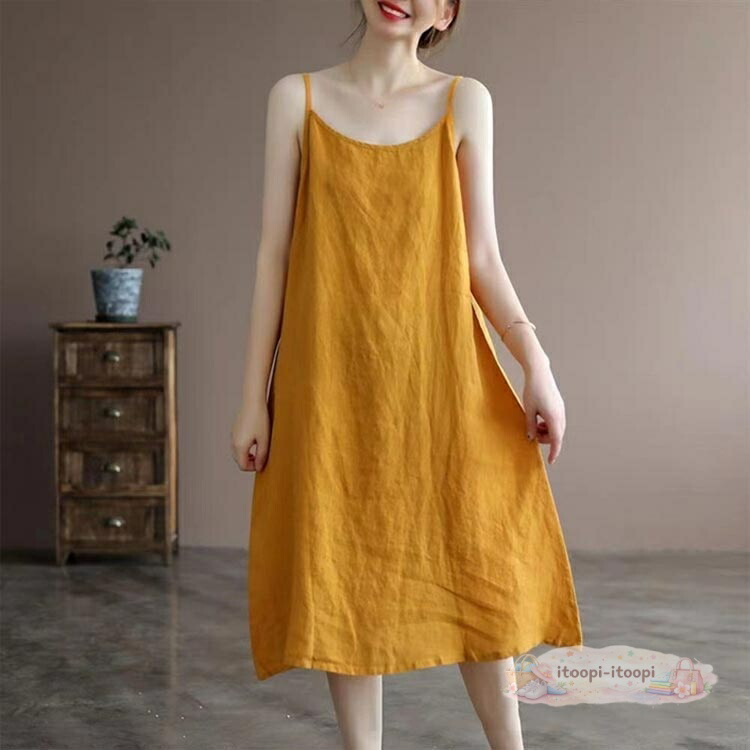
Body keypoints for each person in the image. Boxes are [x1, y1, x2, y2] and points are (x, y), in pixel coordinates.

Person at [232, 1, 583, 748]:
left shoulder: (464, 101)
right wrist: (252, 398)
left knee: (477, 561)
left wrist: (536, 364)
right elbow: (274, 256)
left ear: (447, 10)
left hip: (441, 382)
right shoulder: (296, 98)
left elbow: (481, 258)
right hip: (330, 385)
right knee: (344, 564)